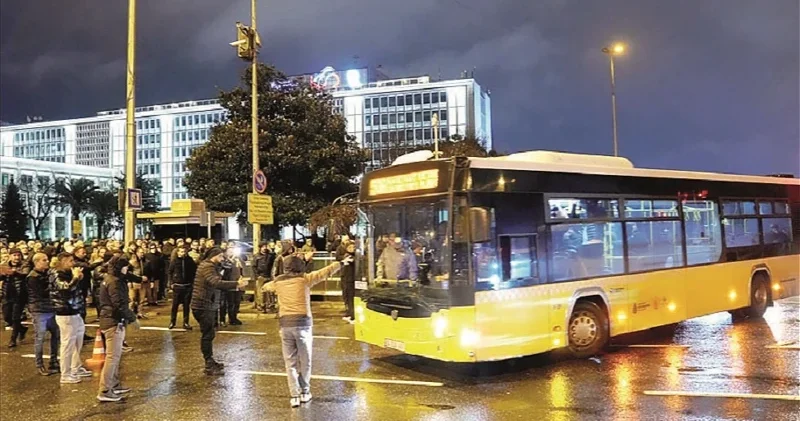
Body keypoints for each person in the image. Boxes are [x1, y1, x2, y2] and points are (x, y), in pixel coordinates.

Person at [263, 251, 350, 407]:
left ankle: (294, 395)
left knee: (290, 362)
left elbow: (266, 287)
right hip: (303, 324)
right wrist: (342, 263)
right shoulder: (305, 280)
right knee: (306, 360)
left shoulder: (278, 282)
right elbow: (325, 271)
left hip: (285, 325)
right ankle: (305, 392)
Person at [190, 248, 247, 375]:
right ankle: (208, 364)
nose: (222, 259)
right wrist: (236, 284)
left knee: (210, 333)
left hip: (208, 304)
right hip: (202, 305)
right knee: (207, 335)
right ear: (214, 256)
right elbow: (215, 282)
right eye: (221, 256)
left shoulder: (213, 266)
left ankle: (210, 360)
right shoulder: (207, 267)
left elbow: (224, 270)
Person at [97, 256, 140, 402]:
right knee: (112, 357)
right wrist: (133, 318)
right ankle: (105, 390)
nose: (127, 269)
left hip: (111, 320)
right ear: (120, 268)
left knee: (114, 357)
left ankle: (113, 384)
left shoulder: (111, 278)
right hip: (113, 322)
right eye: (125, 267)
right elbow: (119, 304)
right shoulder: (114, 282)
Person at [51, 252, 93, 384]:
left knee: (77, 341)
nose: (73, 263)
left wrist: (78, 278)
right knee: (67, 344)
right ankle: (66, 374)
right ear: (62, 262)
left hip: (76, 311)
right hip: (65, 313)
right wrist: (75, 278)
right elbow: (65, 290)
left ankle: (75, 367)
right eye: (70, 261)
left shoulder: (69, 273)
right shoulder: (56, 274)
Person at [26, 253, 61, 376]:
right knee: (40, 338)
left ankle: (53, 360)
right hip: (39, 310)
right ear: (36, 262)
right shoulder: (33, 277)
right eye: (44, 260)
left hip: (50, 308)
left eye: (47, 260)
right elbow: (42, 292)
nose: (47, 262)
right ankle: (39, 364)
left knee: (56, 335)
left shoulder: (46, 274)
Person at [2, 248, 29, 348]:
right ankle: (21, 329)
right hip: (7, 294)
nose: (16, 257)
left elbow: (25, 274)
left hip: (20, 294)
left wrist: (13, 272)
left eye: (18, 255)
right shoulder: (4, 265)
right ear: (10, 256)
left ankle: (13, 339)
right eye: (14, 255)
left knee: (16, 317)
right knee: (7, 317)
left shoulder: (24, 264)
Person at [168, 247, 196, 330]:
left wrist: (192, 282)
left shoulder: (189, 260)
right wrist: (171, 283)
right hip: (177, 286)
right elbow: (170, 272)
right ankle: (172, 321)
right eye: (181, 252)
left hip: (187, 286)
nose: (183, 253)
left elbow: (194, 271)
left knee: (186, 305)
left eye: (184, 251)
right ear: (178, 253)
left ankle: (186, 322)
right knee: (175, 305)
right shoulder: (174, 261)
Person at [221, 247, 244, 326]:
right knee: (230, 303)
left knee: (236, 302)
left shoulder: (237, 260)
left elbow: (242, 269)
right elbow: (225, 270)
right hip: (229, 284)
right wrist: (230, 260)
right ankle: (228, 318)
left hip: (238, 283)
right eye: (230, 252)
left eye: (232, 251)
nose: (232, 253)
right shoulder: (224, 261)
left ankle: (234, 317)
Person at [252, 243, 275, 312]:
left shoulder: (270, 256)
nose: (264, 248)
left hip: (268, 276)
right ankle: (261, 306)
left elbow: (273, 263)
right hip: (260, 276)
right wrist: (257, 276)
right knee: (260, 293)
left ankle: (269, 306)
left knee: (269, 292)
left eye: (265, 246)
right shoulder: (256, 256)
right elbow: (254, 266)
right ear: (260, 248)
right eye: (263, 247)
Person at [340, 242, 357, 323]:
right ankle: (350, 313)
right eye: (350, 247)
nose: (352, 249)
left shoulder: (354, 257)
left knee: (351, 298)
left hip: (351, 280)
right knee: (347, 297)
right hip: (346, 280)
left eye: (353, 247)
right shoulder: (346, 256)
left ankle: (353, 315)